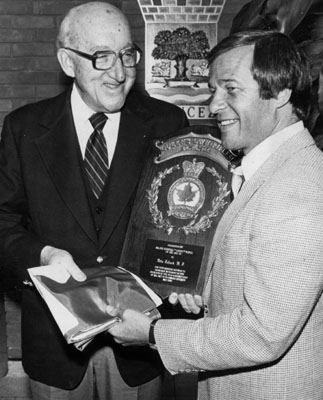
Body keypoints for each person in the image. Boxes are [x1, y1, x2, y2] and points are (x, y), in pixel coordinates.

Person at [107, 30, 323, 400]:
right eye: (213, 89)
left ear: (282, 92)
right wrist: (206, 293)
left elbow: (262, 334)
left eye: (230, 89)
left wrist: (152, 334)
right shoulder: (270, 170)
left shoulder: (297, 190)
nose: (213, 104)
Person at [0, 2, 188, 399]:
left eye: (126, 55)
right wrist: (44, 255)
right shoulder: (24, 128)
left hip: (138, 349)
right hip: (56, 347)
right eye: (101, 58)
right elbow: (3, 222)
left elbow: (184, 228)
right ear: (68, 62)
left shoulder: (168, 124)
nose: (119, 73)